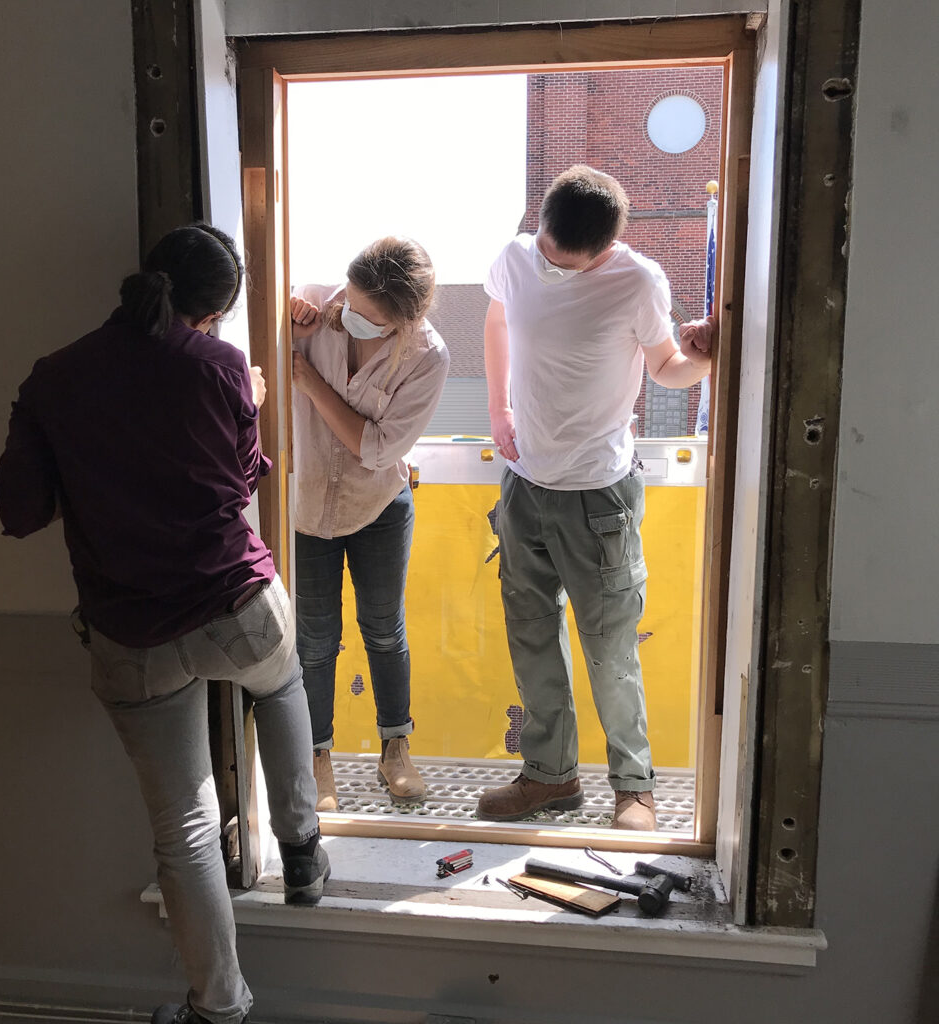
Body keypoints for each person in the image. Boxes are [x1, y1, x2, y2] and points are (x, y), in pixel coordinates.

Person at [0, 224, 327, 1024]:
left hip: (131, 630)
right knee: (279, 684)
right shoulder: (217, 369)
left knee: (184, 829)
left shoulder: (54, 378)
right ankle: (304, 854)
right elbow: (245, 478)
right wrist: (241, 403)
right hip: (233, 604)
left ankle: (219, 1008)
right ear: (212, 312)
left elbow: (18, 511)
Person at [477, 166, 716, 831]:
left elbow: (668, 369)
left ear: (607, 248)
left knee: (610, 649)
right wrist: (498, 409)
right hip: (524, 487)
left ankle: (633, 788)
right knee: (531, 638)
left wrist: (707, 355)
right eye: (548, 252)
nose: (552, 267)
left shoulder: (636, 281)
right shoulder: (517, 259)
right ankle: (548, 776)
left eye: (569, 264)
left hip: (598, 496)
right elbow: (498, 320)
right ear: (542, 224)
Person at [288, 237, 450, 810]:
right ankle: (317, 756)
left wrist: (309, 382)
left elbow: (376, 448)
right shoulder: (317, 306)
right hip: (305, 508)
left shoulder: (426, 356)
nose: (348, 315)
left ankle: (395, 749)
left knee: (384, 628)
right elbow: (260, 324)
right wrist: (289, 309)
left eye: (368, 316)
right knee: (314, 640)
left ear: (405, 321)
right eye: (349, 301)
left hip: (378, 504)